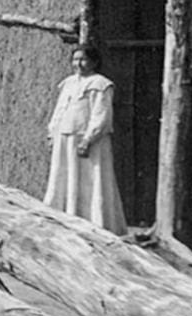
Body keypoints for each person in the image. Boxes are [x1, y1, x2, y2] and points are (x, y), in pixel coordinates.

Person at [43, 43, 128, 234]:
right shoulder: (68, 83)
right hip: (65, 138)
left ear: (94, 62)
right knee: (64, 177)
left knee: (91, 179)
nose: (78, 64)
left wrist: (88, 139)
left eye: (83, 60)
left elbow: (101, 115)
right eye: (75, 59)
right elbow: (59, 110)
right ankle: (64, 220)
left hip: (87, 141)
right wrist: (52, 133)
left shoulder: (100, 84)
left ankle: (96, 223)